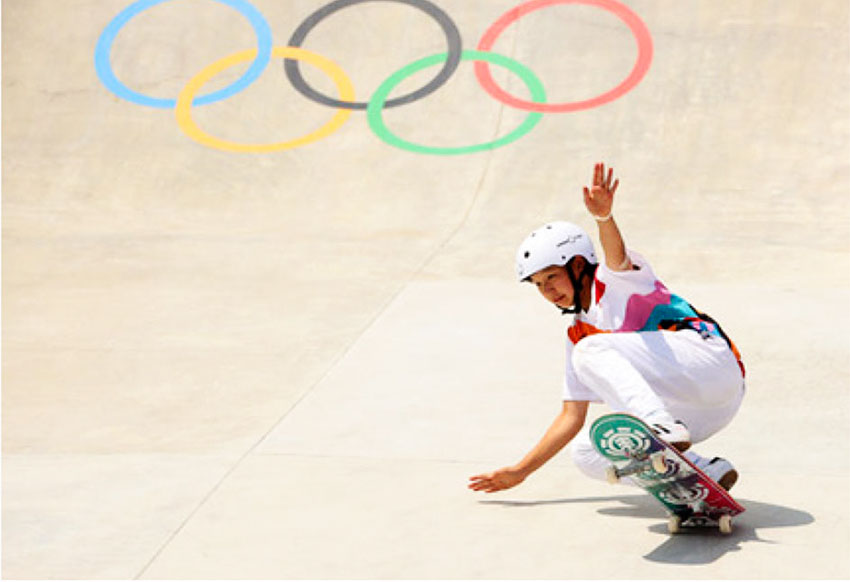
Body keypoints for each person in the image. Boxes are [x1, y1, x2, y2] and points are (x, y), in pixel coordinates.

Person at [468, 163, 745, 494]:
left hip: (712, 365)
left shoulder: (613, 282)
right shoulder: (578, 335)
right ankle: (701, 472)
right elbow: (571, 416)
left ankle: (659, 427)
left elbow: (616, 256)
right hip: (702, 411)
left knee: (590, 350)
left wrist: (604, 218)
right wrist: (520, 471)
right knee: (588, 452)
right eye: (539, 284)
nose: (547, 290)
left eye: (552, 277)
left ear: (578, 265)